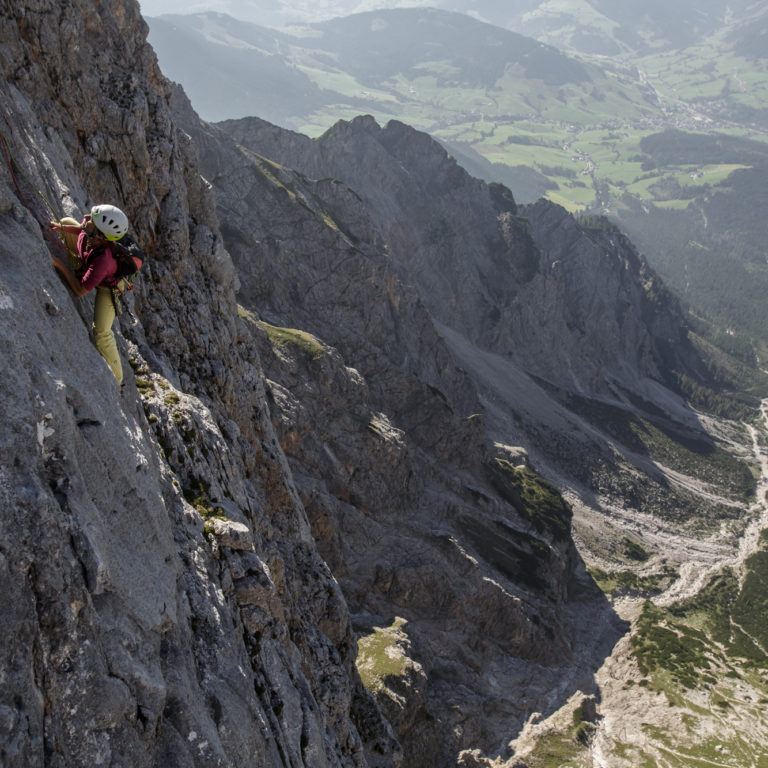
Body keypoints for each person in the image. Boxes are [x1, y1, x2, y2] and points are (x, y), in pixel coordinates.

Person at [49, 204, 130, 386]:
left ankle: (118, 380)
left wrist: (59, 265)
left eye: (91, 220)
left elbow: (79, 292)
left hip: (109, 288)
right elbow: (80, 230)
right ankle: (80, 271)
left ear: (100, 235)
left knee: (101, 332)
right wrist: (60, 227)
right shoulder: (95, 237)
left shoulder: (104, 261)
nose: (86, 217)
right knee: (66, 222)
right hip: (92, 265)